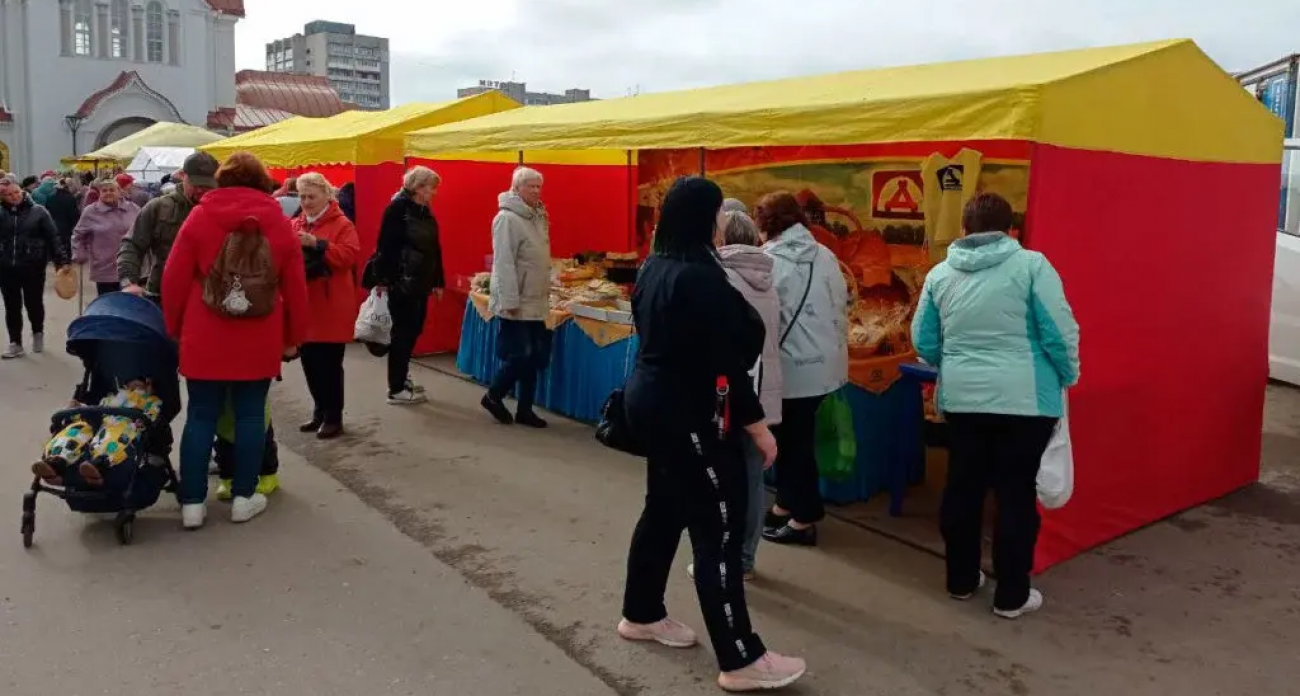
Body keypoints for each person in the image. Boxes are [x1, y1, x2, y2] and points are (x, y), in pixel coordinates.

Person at [619, 176, 806, 692]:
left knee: (664, 510)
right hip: (688, 412)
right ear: (704, 217)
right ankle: (740, 656)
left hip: (652, 402)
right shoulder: (698, 278)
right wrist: (759, 429)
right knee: (718, 531)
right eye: (719, 212)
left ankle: (641, 612)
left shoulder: (656, 266)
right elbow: (724, 363)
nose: (723, 221)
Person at [911, 193, 1080, 619]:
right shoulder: (1032, 267)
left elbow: (924, 341)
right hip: (1026, 402)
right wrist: (1068, 375)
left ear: (964, 230)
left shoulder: (939, 275)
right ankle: (1012, 594)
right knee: (1016, 494)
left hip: (964, 402)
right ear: (1010, 231)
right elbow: (1059, 332)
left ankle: (961, 580)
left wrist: (955, 364)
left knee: (963, 487)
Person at [161, 151, 310, 529]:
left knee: (200, 415)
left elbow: (174, 277)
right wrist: (294, 337)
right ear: (263, 181)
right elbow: (296, 288)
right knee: (249, 416)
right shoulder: (278, 221)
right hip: (258, 335)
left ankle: (193, 503)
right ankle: (244, 497)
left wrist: (174, 327)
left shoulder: (200, 215)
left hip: (204, 332)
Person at [690, 209, 782, 582]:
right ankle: (745, 559)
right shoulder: (767, 277)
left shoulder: (721, 279)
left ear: (722, 240)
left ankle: (722, 559)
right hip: (763, 393)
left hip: (729, 395)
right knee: (752, 477)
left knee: (719, 480)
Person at [757, 191, 849, 548]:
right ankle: (785, 504)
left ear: (766, 224)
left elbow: (766, 317)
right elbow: (842, 302)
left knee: (793, 444)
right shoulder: (825, 255)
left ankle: (804, 517)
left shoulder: (768, 261)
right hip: (825, 364)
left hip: (791, 366)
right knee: (796, 437)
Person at [481, 167, 553, 428]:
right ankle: (494, 395)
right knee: (521, 354)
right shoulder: (506, 219)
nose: (535, 191)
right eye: (530, 186)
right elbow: (504, 263)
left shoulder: (538, 216)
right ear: (516, 188)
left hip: (536, 296)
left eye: (538, 186)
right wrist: (509, 299)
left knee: (534, 356)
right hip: (518, 298)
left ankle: (525, 408)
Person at [292, 172, 360, 438]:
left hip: (331, 305)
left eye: (312, 196)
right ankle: (319, 411)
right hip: (306, 304)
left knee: (330, 365)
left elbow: (349, 256)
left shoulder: (342, 224)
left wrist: (318, 244)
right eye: (302, 196)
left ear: (326, 196)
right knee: (309, 363)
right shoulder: (295, 223)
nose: (306, 201)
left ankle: (334, 417)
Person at [371, 165, 445, 405]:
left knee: (413, 330)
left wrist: (438, 280)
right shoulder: (397, 209)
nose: (434, 193)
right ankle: (396, 387)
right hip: (402, 281)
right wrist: (384, 280)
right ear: (418, 187)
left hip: (420, 280)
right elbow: (385, 247)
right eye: (431, 188)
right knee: (403, 333)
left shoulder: (424, 210)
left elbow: (435, 248)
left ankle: (402, 377)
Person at [119, 152, 219, 301]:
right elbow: (132, 245)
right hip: (163, 294)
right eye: (195, 184)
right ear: (182, 176)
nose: (200, 190)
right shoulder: (159, 207)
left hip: (209, 296)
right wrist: (129, 282)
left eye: (206, 186)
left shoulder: (221, 210)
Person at [34, 378, 162, 487]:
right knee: (76, 431)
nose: (136, 385)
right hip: (100, 419)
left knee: (112, 439)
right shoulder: (112, 398)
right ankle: (55, 461)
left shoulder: (151, 400)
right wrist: (79, 407)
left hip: (125, 423)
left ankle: (99, 464)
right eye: (132, 383)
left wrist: (143, 420)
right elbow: (95, 409)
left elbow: (151, 417)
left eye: (142, 383)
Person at [0, 174, 69, 359]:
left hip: (32, 266)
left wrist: (61, 261)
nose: (14, 196)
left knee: (34, 303)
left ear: (22, 192)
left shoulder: (39, 212)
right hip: (6, 267)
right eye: (8, 194)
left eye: (16, 192)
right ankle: (15, 342)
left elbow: (54, 238)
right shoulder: (1, 213)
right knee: (11, 306)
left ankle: (38, 332)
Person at [74, 180, 141, 296]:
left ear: (119, 192)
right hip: (104, 266)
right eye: (104, 191)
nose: (108, 193)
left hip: (130, 264)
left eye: (112, 190)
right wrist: (79, 253)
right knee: (108, 304)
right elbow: (78, 235)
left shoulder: (133, 209)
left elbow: (143, 229)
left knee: (129, 306)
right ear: (99, 193)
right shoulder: (91, 212)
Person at [46, 177, 81, 257]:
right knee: (67, 246)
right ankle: (67, 260)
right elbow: (74, 214)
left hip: (53, 224)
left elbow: (47, 211)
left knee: (55, 244)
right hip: (67, 226)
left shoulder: (50, 197)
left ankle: (55, 258)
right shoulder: (70, 197)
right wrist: (74, 224)